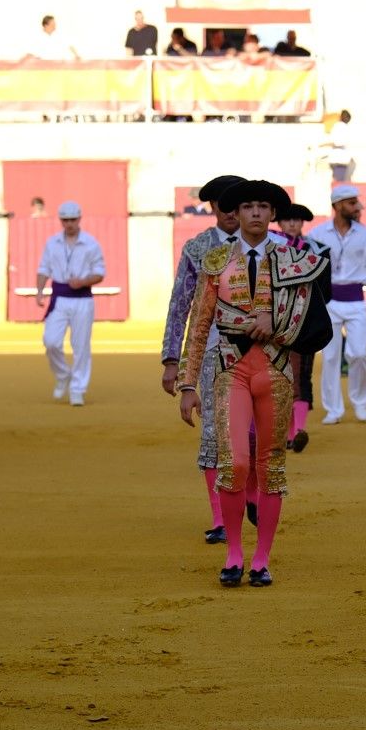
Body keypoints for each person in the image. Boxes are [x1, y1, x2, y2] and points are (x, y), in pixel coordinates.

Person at [177, 180, 331, 588]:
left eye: (264, 206)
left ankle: (261, 559)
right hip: (231, 370)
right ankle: (234, 553)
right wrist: (188, 383)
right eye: (249, 207)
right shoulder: (216, 261)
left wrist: (274, 325)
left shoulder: (292, 259)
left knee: (271, 469)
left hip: (276, 371)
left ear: (272, 213)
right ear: (238, 213)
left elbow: (312, 327)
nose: (257, 213)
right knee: (236, 463)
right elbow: (200, 326)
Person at [163, 175, 245, 545]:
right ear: (211, 207)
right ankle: (222, 518)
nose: (230, 212)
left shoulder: (267, 247)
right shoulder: (197, 248)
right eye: (223, 205)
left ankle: (248, 506)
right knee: (213, 432)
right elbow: (181, 303)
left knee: (253, 437)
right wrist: (172, 360)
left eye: (237, 204)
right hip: (211, 348)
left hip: (260, 353)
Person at [307, 183, 366, 425]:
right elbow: (310, 273)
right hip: (328, 302)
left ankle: (360, 402)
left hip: (356, 301)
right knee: (330, 357)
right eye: (351, 203)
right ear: (338, 206)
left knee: (359, 354)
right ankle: (333, 409)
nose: (357, 207)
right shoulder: (317, 235)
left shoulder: (365, 234)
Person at [35, 201, 105, 406]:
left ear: (79, 219)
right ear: (61, 221)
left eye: (72, 219)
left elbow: (100, 273)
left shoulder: (91, 243)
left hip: (83, 299)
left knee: (81, 345)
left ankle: (77, 389)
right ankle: (63, 374)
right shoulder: (52, 243)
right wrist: (39, 292)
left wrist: (82, 282)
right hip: (59, 298)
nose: (69, 224)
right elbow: (43, 269)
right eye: (65, 220)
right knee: (51, 341)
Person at [277, 202, 322, 452]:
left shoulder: (313, 249)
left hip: (303, 322)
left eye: (297, 220)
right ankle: (286, 430)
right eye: (288, 220)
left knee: (301, 376)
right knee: (279, 378)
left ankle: (297, 431)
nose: (293, 224)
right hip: (276, 324)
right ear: (280, 223)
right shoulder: (271, 249)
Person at [321, 110, 355, 182]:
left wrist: (322, 145)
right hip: (342, 158)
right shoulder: (347, 128)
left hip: (338, 158)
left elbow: (336, 142)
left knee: (339, 181)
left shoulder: (338, 126)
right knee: (341, 180)